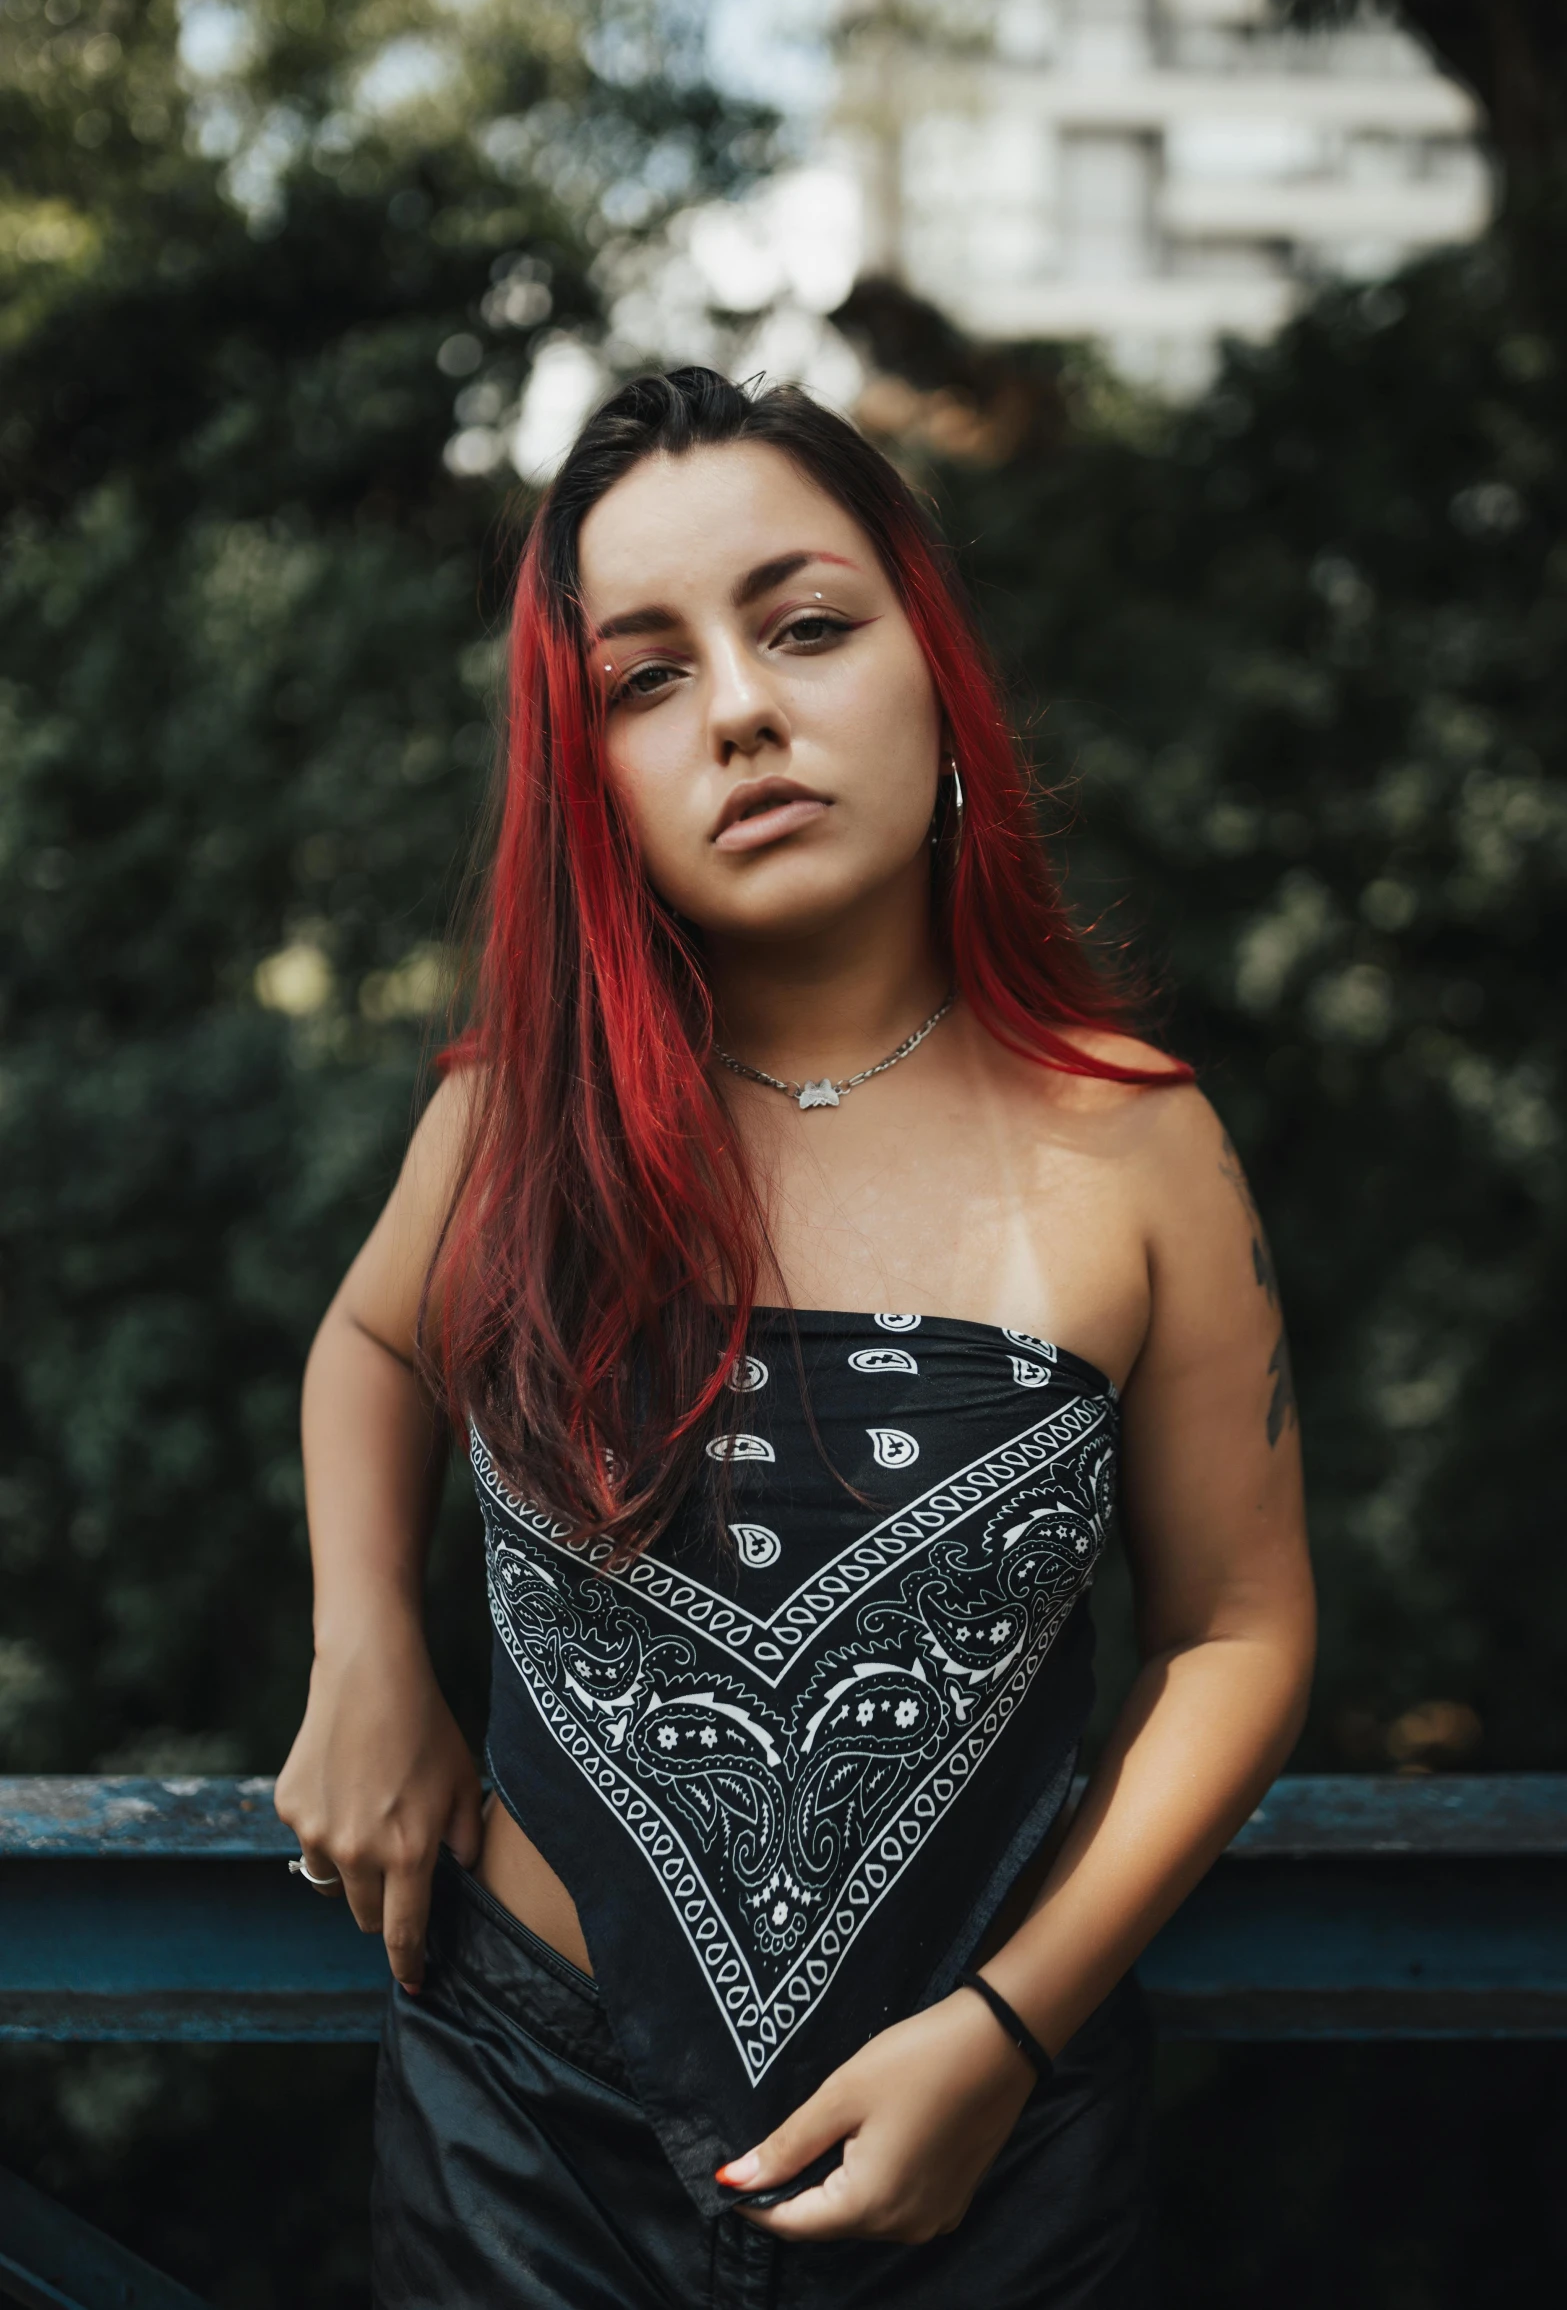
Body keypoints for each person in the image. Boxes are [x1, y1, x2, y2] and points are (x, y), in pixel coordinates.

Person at [275, 365, 1314, 2308]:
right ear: (589, 778)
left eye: (808, 625)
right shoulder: (517, 1112)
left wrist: (1007, 2030)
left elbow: (1241, 1628)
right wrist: (365, 1640)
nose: (742, 705)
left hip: (993, 2138)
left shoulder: (1138, 1139)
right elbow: (370, 1339)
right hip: (527, 2122)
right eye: (643, 680)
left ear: (938, 683)